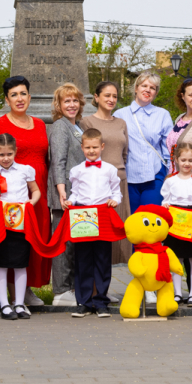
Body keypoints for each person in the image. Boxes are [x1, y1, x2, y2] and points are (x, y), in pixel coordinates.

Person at [0, 76, 51, 296]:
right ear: (7, 99)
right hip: (13, 192)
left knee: (34, 237)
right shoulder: (0, 124)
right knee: (14, 238)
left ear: (29, 97)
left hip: (37, 189)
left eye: (23, 93)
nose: (19, 99)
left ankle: (27, 288)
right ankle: (15, 292)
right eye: (14, 95)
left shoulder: (40, 124)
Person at [65, 127, 121, 319]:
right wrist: (70, 201)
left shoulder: (110, 170)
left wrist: (115, 200)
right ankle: (84, 302)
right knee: (83, 260)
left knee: (102, 259)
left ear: (102, 147)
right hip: (83, 217)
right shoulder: (76, 171)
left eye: (95, 147)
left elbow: (116, 192)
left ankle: (101, 301)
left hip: (103, 216)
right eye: (87, 147)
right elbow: (75, 192)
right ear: (82, 147)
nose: (91, 151)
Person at [0, 133, 41, 320]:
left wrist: (30, 204)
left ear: (15, 151)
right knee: (1, 263)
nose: (5, 158)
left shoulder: (25, 170)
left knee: (21, 263)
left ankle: (19, 303)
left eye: (9, 154)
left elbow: (36, 191)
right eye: (1, 155)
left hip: (21, 222)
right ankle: (4, 305)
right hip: (0, 223)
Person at [80, 81, 131, 263]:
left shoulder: (121, 123)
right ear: (96, 97)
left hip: (119, 181)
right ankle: (94, 289)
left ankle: (105, 286)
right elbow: (85, 152)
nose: (111, 99)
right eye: (107, 95)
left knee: (117, 235)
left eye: (114, 96)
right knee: (98, 236)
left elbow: (125, 153)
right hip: (97, 184)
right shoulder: (87, 122)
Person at [47, 83, 85, 307]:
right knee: (64, 244)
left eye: (75, 100)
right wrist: (61, 190)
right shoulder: (60, 126)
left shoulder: (76, 126)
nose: (71, 105)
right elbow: (58, 161)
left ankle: (72, 287)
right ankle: (61, 291)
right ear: (59, 105)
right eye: (66, 101)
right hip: (65, 195)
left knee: (74, 242)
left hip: (78, 196)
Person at [115, 72, 171, 212]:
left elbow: (169, 147)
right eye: (144, 85)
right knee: (133, 222)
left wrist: (169, 173)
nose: (148, 90)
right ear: (136, 88)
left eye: (152, 87)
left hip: (154, 174)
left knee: (152, 218)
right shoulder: (120, 115)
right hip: (129, 176)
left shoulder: (162, 114)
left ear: (156, 93)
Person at [159, 141, 192, 305]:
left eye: (190, 160)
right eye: (183, 160)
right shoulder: (170, 181)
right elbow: (165, 200)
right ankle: (177, 293)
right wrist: (165, 205)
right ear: (176, 161)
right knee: (176, 258)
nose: (187, 164)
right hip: (176, 223)